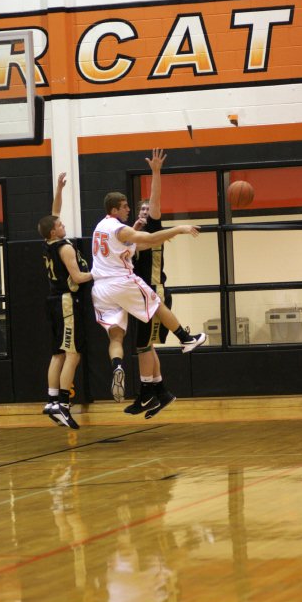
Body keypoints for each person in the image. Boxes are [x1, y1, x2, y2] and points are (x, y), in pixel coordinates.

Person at [91, 190, 206, 414]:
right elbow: (151, 239)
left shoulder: (100, 227)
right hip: (121, 282)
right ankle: (186, 338)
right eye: (124, 206)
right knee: (157, 305)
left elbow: (138, 245)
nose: (128, 209)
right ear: (114, 210)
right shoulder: (120, 228)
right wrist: (181, 228)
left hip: (101, 289)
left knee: (116, 335)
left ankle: (117, 366)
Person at [38, 172, 93, 430]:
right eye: (59, 224)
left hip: (52, 301)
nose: (63, 224)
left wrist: (59, 189)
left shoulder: (48, 242)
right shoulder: (65, 247)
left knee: (57, 353)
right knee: (73, 354)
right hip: (66, 302)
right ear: (54, 231)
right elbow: (78, 277)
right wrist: (101, 273)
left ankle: (51, 400)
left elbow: (53, 212)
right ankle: (62, 404)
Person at [129, 148, 178, 419]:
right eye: (143, 209)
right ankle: (161, 393)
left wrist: (156, 173)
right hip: (140, 295)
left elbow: (156, 201)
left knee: (142, 346)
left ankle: (148, 392)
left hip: (155, 292)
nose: (147, 211)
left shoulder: (155, 227)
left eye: (149, 209)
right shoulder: (132, 234)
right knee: (144, 346)